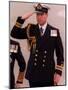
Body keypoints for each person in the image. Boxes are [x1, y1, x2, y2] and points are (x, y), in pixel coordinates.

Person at [10, 3, 64, 87]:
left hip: (48, 73)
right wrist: (22, 19)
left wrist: (58, 72)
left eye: (41, 14)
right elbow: (14, 33)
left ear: (46, 15)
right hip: (33, 73)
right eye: (37, 14)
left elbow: (60, 54)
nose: (39, 17)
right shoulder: (30, 29)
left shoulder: (54, 31)